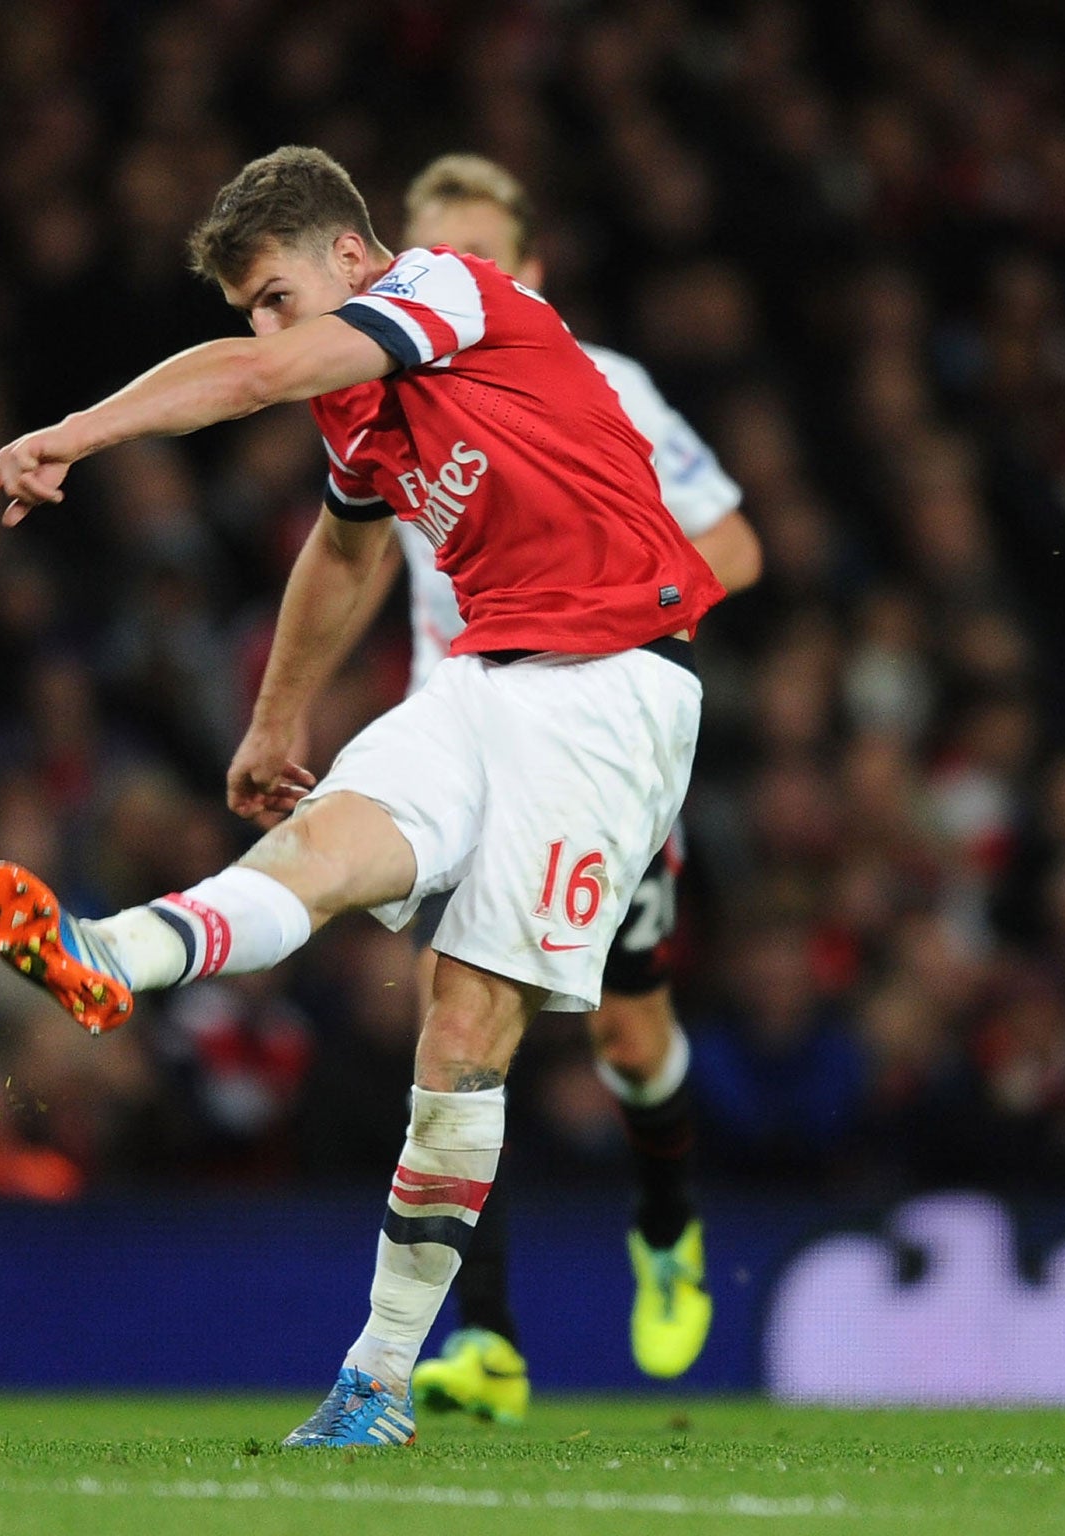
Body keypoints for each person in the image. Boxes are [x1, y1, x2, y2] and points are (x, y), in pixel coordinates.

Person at [0, 146, 721, 1447]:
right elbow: (343, 547)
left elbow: (259, 377)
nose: (264, 330)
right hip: (488, 676)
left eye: (273, 296)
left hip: (613, 691)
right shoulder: (362, 412)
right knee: (321, 849)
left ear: (353, 261)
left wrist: (73, 435)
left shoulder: (449, 289)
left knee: (461, 1034)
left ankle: (376, 1379)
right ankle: (112, 954)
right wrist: (272, 720)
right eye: (246, 309)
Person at [383, 156, 761, 1425]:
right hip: (465, 742)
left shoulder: (608, 386)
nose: (454, 282)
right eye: (429, 260)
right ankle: (482, 1339)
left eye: (481, 258)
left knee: (622, 1032)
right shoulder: (380, 400)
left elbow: (736, 540)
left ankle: (664, 1219)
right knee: (456, 1019)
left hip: (596, 738)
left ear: (528, 273)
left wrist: (636, 614)